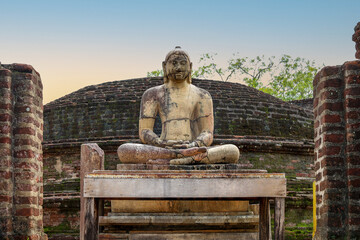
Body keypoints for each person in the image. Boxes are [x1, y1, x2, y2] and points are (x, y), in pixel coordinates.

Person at [118, 47, 239, 164]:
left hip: (193, 147)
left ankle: (182, 158)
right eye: (174, 63)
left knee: (232, 151)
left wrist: (193, 145)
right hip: (164, 148)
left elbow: (207, 132)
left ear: (190, 66)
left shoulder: (202, 95)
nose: (179, 68)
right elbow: (144, 131)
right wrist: (160, 143)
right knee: (124, 150)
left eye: (182, 63)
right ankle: (183, 158)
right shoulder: (152, 94)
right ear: (164, 66)